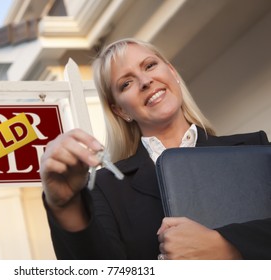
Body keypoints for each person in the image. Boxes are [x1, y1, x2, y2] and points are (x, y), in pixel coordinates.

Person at [40, 38, 271, 260]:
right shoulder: (106, 189)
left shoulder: (256, 148)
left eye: (150, 66)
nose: (145, 81)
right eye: (126, 83)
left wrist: (226, 246)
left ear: (172, 72)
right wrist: (65, 204)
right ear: (121, 111)